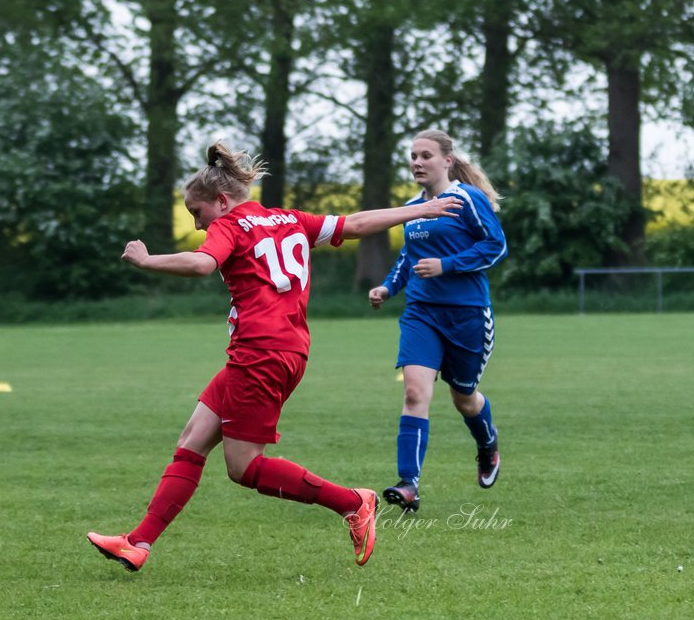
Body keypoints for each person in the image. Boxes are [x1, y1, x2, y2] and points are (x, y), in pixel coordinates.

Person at [86, 142, 463, 572]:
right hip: (283, 350)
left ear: (222, 200)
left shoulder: (229, 225)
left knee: (243, 468)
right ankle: (138, 543)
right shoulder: (289, 219)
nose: (197, 223)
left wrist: (147, 259)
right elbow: (356, 224)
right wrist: (417, 210)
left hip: (260, 354)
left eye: (198, 212)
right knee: (192, 440)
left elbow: (201, 265)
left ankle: (353, 502)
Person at [368, 129, 508, 513]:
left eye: (425, 155)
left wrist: (447, 265)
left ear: (447, 160)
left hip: (467, 316)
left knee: (464, 398)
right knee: (415, 393)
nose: (417, 162)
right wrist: (388, 287)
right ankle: (408, 484)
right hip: (421, 314)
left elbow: (496, 246)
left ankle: (487, 444)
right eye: (412, 155)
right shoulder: (413, 207)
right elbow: (408, 259)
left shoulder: (467, 198)